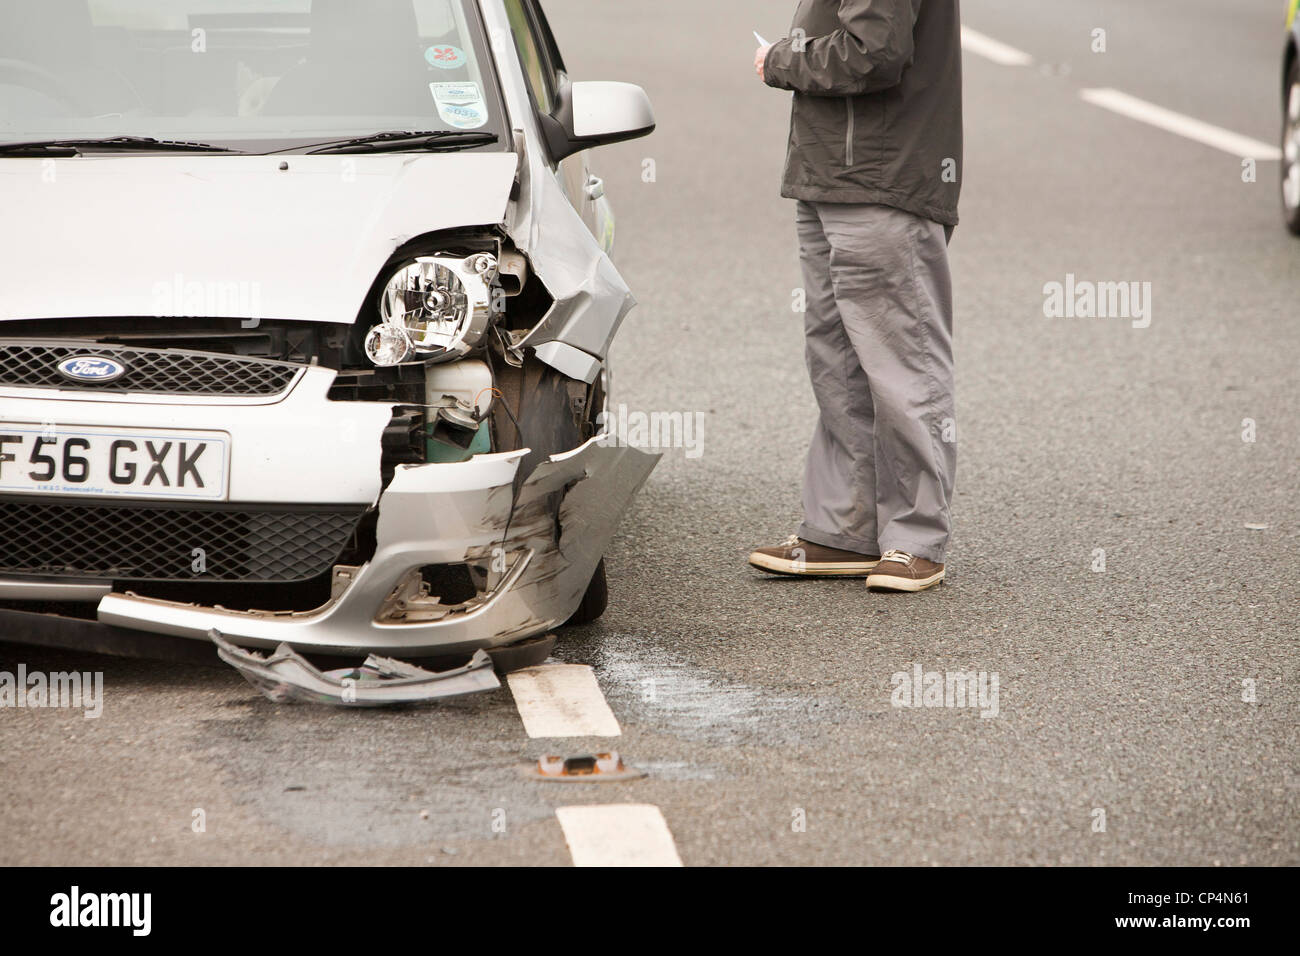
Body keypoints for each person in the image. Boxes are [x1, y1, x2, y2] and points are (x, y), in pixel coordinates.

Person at [747, 0, 963, 593]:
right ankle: (844, 530)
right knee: (838, 359)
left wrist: (781, 58)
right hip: (833, 173)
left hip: (880, 175)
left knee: (902, 362)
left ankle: (915, 539)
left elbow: (874, 53)